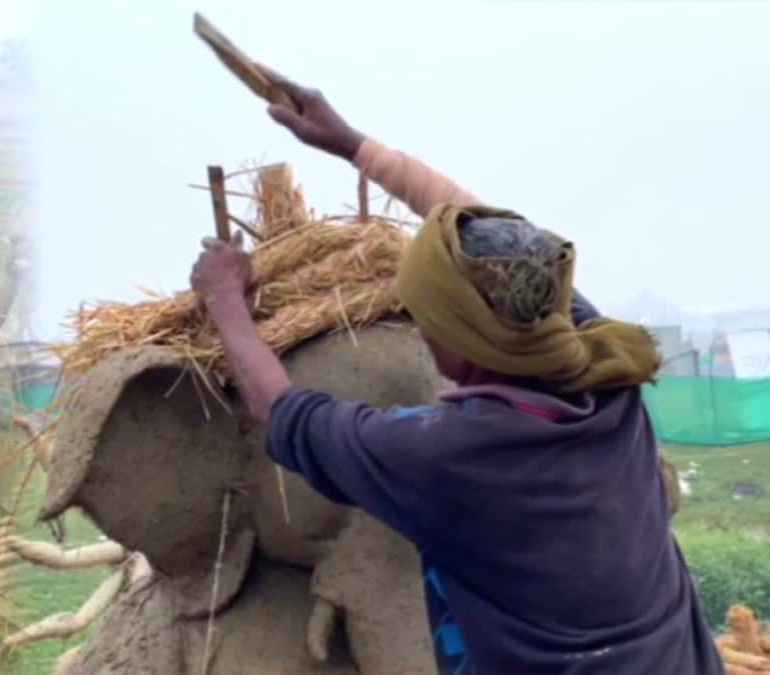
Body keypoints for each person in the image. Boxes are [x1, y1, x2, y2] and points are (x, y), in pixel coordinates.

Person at [189, 70, 724, 675]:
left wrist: (224, 297)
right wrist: (351, 144)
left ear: (456, 341)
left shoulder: (446, 457)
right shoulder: (604, 370)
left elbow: (277, 406)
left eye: (423, 316)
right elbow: (516, 248)